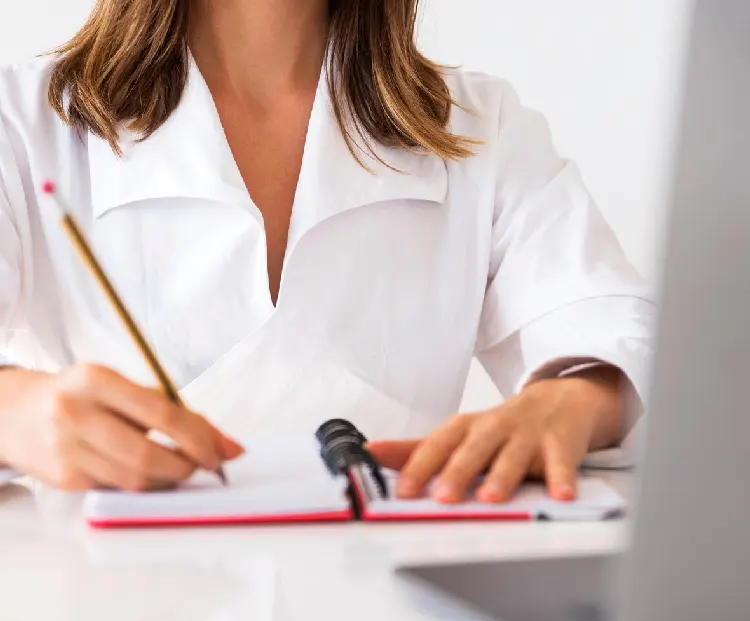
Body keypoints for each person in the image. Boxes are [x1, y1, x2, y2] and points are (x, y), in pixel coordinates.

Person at [0, 0, 652, 503]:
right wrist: (15, 415)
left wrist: (575, 402)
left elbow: (620, 333)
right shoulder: (21, 123)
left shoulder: (480, 126)